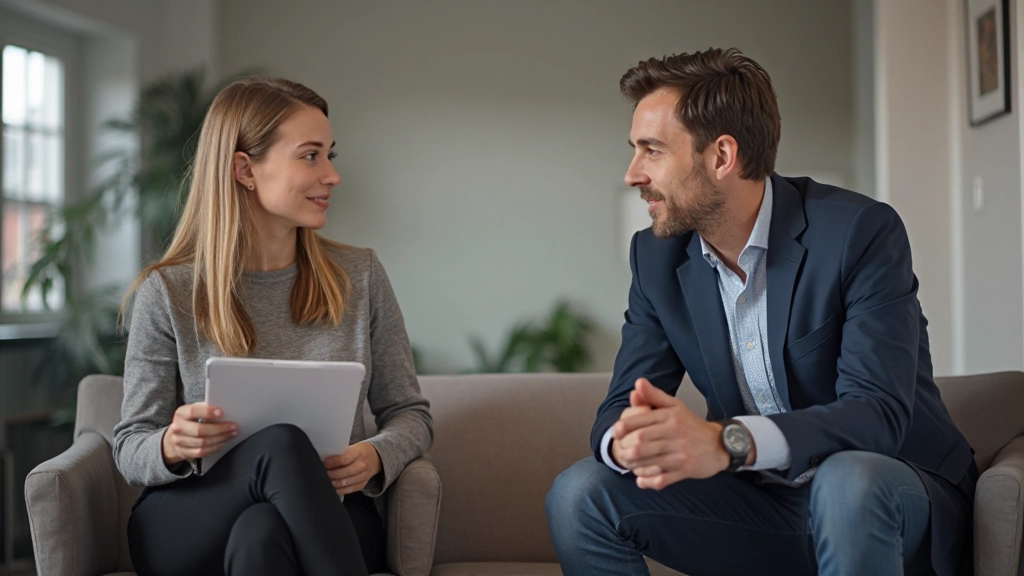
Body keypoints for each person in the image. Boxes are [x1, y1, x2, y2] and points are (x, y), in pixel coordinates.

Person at [545, 48, 976, 576]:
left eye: (651, 151)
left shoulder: (859, 233)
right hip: (764, 507)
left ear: (721, 156)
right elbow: (617, 407)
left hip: (891, 497)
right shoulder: (656, 257)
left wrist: (728, 443)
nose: (633, 173)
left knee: (847, 482)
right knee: (579, 493)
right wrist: (633, 442)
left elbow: (878, 415)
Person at [113, 76, 433, 576]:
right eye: (311, 156)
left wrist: (373, 455)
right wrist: (171, 445)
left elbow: (411, 413)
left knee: (261, 534)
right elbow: (131, 444)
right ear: (245, 168)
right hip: (192, 515)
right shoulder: (167, 291)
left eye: (331, 155)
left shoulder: (360, 276)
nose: (332, 175)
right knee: (282, 444)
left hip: (330, 514)